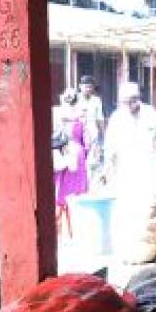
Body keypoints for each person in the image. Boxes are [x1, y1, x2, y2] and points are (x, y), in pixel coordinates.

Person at [104, 82, 156, 259]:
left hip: (150, 168)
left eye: (134, 100)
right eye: (127, 101)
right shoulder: (117, 118)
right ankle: (131, 248)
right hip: (127, 171)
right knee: (129, 212)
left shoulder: (150, 113)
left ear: (139, 98)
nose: (131, 104)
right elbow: (110, 149)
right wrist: (108, 170)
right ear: (121, 102)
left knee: (151, 209)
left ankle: (153, 247)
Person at [53, 88, 89, 234]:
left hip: (60, 152)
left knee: (59, 191)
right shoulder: (81, 117)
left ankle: (58, 230)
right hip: (77, 153)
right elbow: (88, 141)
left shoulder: (56, 114)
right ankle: (74, 229)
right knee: (76, 191)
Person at [77, 75, 105, 176]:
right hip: (78, 132)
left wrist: (103, 134)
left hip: (92, 131)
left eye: (90, 87)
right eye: (86, 87)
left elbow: (100, 118)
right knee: (78, 158)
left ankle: (89, 179)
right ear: (80, 86)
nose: (88, 89)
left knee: (92, 160)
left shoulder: (96, 100)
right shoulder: (75, 99)